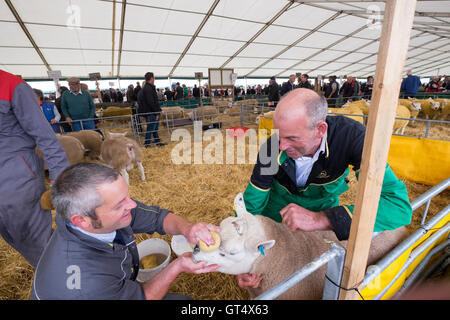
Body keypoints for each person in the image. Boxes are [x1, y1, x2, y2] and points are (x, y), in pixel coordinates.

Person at [237, 88, 412, 288]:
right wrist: (243, 256)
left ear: (320, 129)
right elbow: (252, 204)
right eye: (279, 135)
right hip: (277, 216)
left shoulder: (353, 138)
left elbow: (399, 206)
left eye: (292, 138)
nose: (281, 145)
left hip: (320, 219)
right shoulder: (271, 148)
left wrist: (323, 218)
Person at [31, 162, 219, 300]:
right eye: (120, 204)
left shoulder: (96, 217)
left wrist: (187, 229)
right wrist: (176, 266)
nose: (132, 204)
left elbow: (157, 218)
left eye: (127, 196)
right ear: (81, 220)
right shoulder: (86, 284)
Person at [0, 70, 68, 268]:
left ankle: (66, 281)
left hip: (17, 180)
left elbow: (45, 135)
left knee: (38, 242)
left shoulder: (10, 85)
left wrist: (60, 179)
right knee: (13, 237)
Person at [137, 72, 165, 147]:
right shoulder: (148, 88)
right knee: (151, 128)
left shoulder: (148, 87)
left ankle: (157, 142)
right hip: (151, 112)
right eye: (154, 77)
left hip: (151, 111)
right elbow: (151, 102)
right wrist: (156, 112)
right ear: (152, 78)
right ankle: (147, 144)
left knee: (154, 128)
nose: (154, 79)